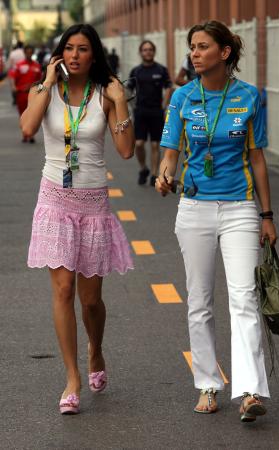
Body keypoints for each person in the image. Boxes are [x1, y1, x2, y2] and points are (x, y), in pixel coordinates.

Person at [155, 21, 277, 423]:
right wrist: (164, 173)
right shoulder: (182, 97)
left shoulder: (249, 97)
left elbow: (257, 158)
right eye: (192, 46)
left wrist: (267, 214)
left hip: (240, 207)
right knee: (200, 301)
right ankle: (208, 384)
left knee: (243, 298)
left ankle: (250, 391)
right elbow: (170, 151)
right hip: (194, 209)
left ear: (224, 53)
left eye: (202, 46)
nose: (193, 53)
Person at [20, 24, 135, 415]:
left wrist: (120, 104)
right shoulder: (44, 90)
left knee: (90, 301)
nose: (74, 55)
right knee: (63, 289)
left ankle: (95, 351)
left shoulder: (105, 93)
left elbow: (124, 151)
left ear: (93, 55)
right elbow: (28, 127)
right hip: (54, 198)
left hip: (92, 203)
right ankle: (71, 378)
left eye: (82, 49)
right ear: (59, 54)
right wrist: (46, 82)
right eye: (68, 48)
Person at [128, 40, 173, 186]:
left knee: (155, 145)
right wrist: (132, 105)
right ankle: (143, 168)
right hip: (140, 111)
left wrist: (164, 105)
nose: (148, 52)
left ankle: (154, 174)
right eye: (145, 50)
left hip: (156, 112)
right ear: (141, 52)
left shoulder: (161, 70)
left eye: (150, 49)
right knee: (139, 144)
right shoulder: (136, 71)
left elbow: (169, 87)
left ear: (154, 52)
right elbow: (128, 89)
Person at [14, 44, 42, 142]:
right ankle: (24, 134)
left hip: (33, 95)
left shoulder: (37, 66)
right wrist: (16, 88)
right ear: (25, 53)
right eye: (27, 52)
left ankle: (31, 135)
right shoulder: (19, 65)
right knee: (23, 115)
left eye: (31, 52)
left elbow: (40, 80)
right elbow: (14, 78)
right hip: (21, 95)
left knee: (32, 115)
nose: (29, 54)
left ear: (32, 53)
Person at [6, 41, 25, 105]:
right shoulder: (24, 52)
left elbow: (10, 64)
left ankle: (15, 99)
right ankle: (21, 97)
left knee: (13, 86)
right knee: (21, 84)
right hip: (22, 71)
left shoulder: (13, 53)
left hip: (13, 71)